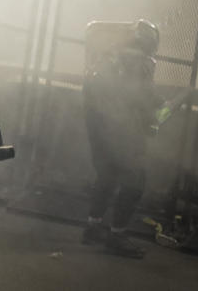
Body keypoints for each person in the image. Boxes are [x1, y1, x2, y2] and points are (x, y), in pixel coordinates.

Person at [81, 19, 164, 258]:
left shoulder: (109, 57)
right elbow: (138, 96)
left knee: (108, 175)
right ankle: (117, 236)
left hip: (98, 128)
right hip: (118, 130)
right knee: (135, 179)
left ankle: (93, 227)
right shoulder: (137, 61)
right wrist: (154, 114)